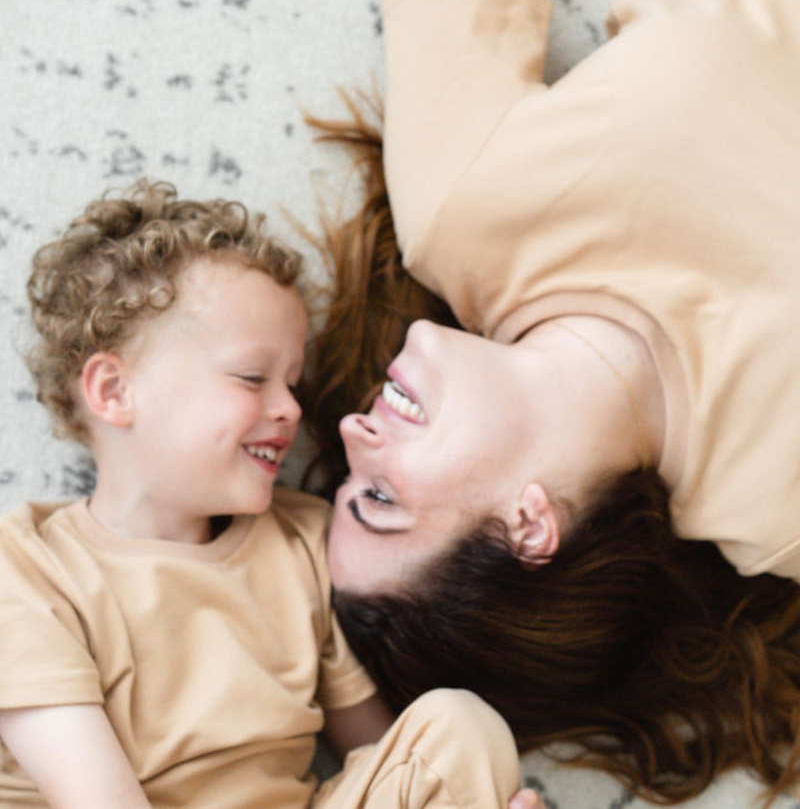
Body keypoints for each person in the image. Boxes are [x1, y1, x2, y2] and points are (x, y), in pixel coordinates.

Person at [299, 0, 800, 802]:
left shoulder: (463, 206)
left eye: (346, 477)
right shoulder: (777, 511)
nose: (356, 431)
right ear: (529, 527)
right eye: (382, 497)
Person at [0, 179, 541, 809]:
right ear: (115, 392)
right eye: (252, 377)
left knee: (459, 728)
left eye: (291, 383)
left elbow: (378, 754)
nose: (288, 408)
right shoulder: (26, 572)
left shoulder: (302, 543)